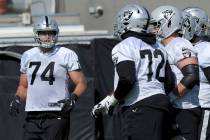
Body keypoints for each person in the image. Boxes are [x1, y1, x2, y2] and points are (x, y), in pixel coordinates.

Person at [92, 4, 171, 140]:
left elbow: (127, 79)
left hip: (140, 107)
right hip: (161, 104)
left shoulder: (125, 45)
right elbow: (170, 81)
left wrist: (113, 100)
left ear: (127, 22)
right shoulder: (159, 46)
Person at [9, 16, 87, 140]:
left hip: (56, 114)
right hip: (32, 116)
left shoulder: (66, 54)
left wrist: (73, 97)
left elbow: (81, 82)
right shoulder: (28, 55)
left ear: (56, 34)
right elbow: (24, 86)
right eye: (43, 33)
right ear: (37, 34)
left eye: (51, 33)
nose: (47, 36)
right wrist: (17, 98)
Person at [150, 5, 200, 140]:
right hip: (173, 108)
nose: (154, 29)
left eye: (157, 25)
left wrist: (170, 98)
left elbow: (191, 76)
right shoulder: (162, 46)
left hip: (184, 109)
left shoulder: (179, 44)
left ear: (168, 23)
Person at [183, 7, 210, 140]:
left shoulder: (205, 48)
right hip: (191, 107)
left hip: (205, 107)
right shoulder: (186, 47)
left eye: (185, 24)